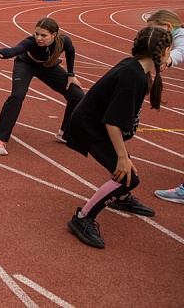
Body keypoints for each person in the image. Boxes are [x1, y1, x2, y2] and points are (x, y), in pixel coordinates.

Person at [64, 26, 172, 248]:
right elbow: (112, 122)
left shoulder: (136, 68)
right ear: (163, 52)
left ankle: (121, 199)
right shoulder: (133, 76)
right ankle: (82, 218)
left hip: (95, 123)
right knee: (128, 178)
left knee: (124, 175)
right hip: (90, 127)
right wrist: (122, 157)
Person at [0, 17, 84, 156]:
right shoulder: (30, 42)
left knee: (78, 96)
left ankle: (64, 132)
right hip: (26, 65)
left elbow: (70, 51)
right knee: (17, 95)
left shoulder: (64, 41)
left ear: (54, 35)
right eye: (37, 33)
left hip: (48, 66)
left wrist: (71, 74)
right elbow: (14, 50)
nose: (39, 38)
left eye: (43, 35)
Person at [144, 10, 184, 204]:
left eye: (155, 30)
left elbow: (182, 49)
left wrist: (168, 59)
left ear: (168, 26)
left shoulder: (180, 34)